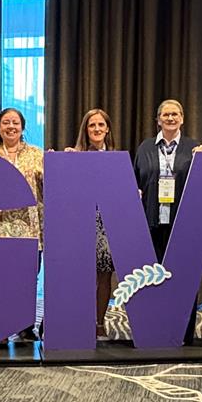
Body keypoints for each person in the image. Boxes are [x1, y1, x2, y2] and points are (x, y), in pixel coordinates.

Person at [133, 99, 202, 343]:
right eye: (165, 115)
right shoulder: (145, 148)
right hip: (152, 224)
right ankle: (155, 331)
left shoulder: (194, 148)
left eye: (175, 114)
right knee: (152, 280)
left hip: (182, 225)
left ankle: (184, 334)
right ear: (158, 120)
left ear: (182, 119)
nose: (170, 118)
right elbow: (136, 185)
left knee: (183, 281)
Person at [0, 107, 43, 340]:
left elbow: (49, 186)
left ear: (23, 128)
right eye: (6, 122)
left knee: (27, 277)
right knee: (0, 277)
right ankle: (0, 327)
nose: (11, 126)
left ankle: (25, 326)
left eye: (15, 122)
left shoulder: (37, 154)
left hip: (29, 228)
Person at [67, 108, 118, 337]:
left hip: (108, 223)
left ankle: (99, 322)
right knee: (80, 274)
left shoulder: (118, 157)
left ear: (107, 129)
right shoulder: (74, 155)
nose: (96, 129)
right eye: (92, 125)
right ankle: (76, 319)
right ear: (85, 130)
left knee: (104, 274)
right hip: (80, 221)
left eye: (100, 125)